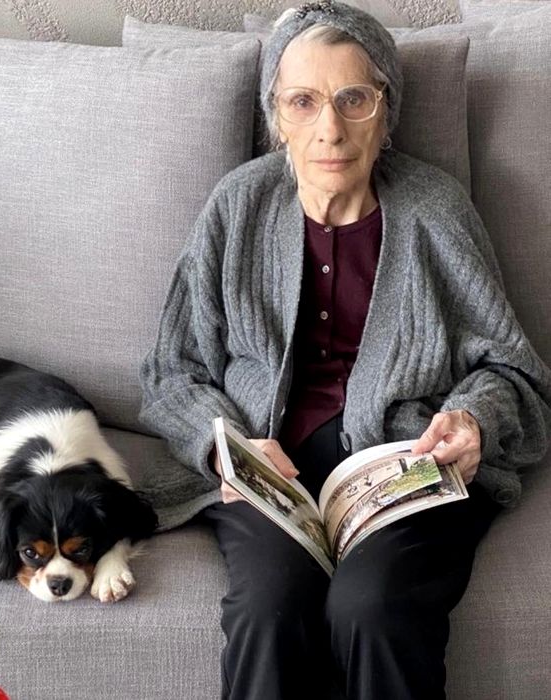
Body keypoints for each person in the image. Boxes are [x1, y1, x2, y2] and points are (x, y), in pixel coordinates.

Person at [139, 2, 551, 699]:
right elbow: (170, 370)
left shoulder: (436, 210)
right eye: (303, 102)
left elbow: (512, 368)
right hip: (271, 466)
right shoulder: (237, 206)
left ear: (385, 113)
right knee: (269, 606)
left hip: (406, 465)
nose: (329, 128)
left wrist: (475, 420)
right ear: (277, 117)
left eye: (353, 99)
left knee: (374, 607)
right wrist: (225, 445)